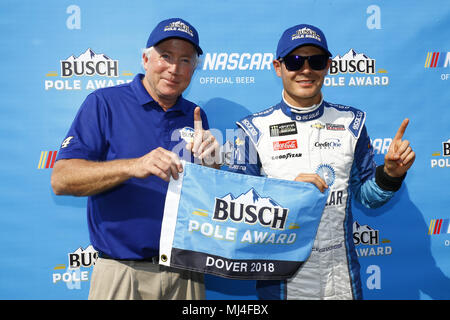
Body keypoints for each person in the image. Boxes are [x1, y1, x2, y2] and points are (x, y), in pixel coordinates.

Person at [227, 24, 415, 299]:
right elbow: (235, 215)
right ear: (278, 67)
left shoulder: (351, 123)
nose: (306, 70)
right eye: (294, 61)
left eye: (315, 61)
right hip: (281, 282)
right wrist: (286, 196)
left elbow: (368, 198)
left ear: (327, 66)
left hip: (341, 280)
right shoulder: (253, 130)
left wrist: (390, 174)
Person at [51, 18, 220, 300]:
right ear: (145, 58)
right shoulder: (104, 103)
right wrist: (134, 165)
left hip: (185, 272)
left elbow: (205, 197)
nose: (174, 69)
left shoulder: (195, 115)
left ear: (194, 67)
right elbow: (62, 179)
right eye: (165, 56)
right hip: (122, 274)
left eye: (185, 60)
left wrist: (212, 167)